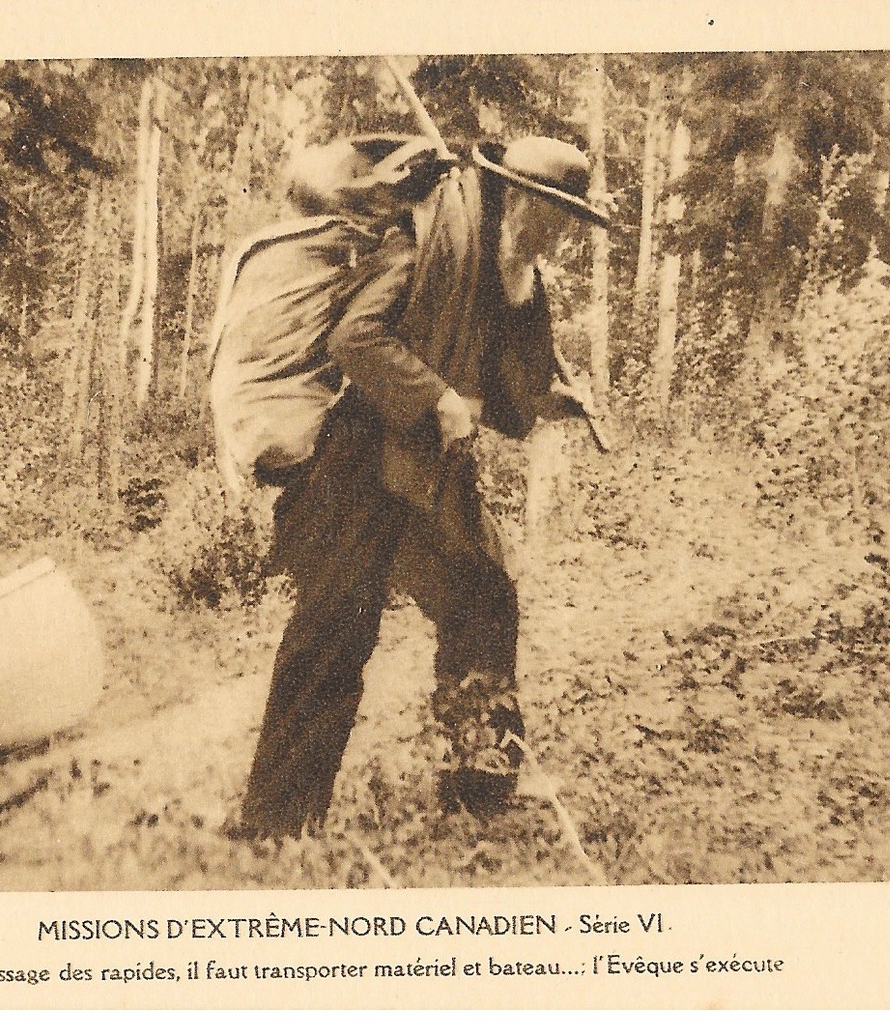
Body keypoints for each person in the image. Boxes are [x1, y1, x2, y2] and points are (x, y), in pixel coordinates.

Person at [233, 136, 611, 839]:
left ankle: (478, 790)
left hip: (424, 470)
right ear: (521, 200)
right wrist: (435, 396)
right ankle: (275, 821)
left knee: (484, 598)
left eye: (570, 218)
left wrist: (555, 398)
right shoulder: (427, 241)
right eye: (555, 214)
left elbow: (505, 398)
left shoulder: (517, 279)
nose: (561, 232)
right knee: (334, 633)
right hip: (351, 460)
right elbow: (357, 339)